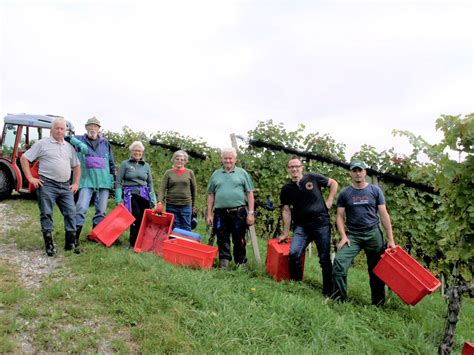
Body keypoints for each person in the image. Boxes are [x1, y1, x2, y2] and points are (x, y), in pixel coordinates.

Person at [332, 160, 396, 305]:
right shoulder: (345, 193)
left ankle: (378, 304)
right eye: (354, 171)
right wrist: (343, 236)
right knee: (339, 263)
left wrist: (390, 240)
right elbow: (339, 216)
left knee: (377, 270)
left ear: (365, 172)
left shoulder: (375, 191)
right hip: (353, 236)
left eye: (360, 170)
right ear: (351, 173)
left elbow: (384, 215)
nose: (358, 173)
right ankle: (339, 300)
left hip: (373, 234)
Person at [19, 117, 81, 256]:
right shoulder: (42, 144)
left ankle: (70, 244)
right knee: (46, 213)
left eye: (62, 128)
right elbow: (24, 158)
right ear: (51, 129)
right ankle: (49, 245)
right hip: (47, 184)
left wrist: (76, 183)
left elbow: (76, 166)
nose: (60, 131)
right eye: (57, 128)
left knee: (71, 213)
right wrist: (30, 178)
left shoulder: (69, 147)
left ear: (65, 130)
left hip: (65, 186)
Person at [278, 157, 338, 296]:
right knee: (294, 254)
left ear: (302, 167)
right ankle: (296, 285)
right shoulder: (287, 188)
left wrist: (329, 200)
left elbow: (333, 183)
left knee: (324, 258)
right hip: (302, 227)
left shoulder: (313, 178)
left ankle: (328, 291)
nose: (294, 169)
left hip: (321, 224)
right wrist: (285, 233)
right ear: (288, 169)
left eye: (296, 166)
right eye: (291, 167)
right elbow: (286, 210)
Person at [66, 116, 116, 252]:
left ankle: (95, 236)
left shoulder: (105, 143)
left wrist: (114, 177)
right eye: (90, 126)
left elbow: (111, 162)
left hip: (103, 181)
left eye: (95, 126)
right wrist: (75, 141)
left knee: (101, 211)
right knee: (81, 207)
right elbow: (65, 137)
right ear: (86, 128)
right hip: (86, 180)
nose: (93, 129)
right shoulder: (80, 140)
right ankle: (74, 238)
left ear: (99, 129)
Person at [206, 147, 255, 269]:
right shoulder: (216, 174)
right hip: (220, 213)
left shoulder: (242, 173)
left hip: (238, 212)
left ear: (235, 159)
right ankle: (224, 263)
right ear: (221, 159)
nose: (228, 160)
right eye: (225, 158)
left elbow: (249, 193)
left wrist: (251, 213)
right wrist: (209, 214)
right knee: (222, 238)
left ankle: (241, 263)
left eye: (230, 158)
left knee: (239, 238)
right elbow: (211, 194)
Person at [115, 141, 157, 247]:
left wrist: (153, 199)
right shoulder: (125, 164)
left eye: (139, 150)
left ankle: (142, 242)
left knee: (144, 218)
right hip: (131, 194)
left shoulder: (146, 166)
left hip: (144, 194)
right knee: (136, 216)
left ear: (142, 152)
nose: (137, 152)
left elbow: (150, 183)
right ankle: (133, 243)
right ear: (131, 151)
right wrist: (118, 197)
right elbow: (118, 181)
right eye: (135, 150)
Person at [158, 150, 196, 231]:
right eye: (177, 159)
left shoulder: (190, 173)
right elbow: (162, 189)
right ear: (173, 160)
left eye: (182, 159)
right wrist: (159, 202)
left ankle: (185, 244)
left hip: (186, 205)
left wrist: (193, 205)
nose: (179, 161)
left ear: (185, 161)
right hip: (171, 205)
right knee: (175, 228)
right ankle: (174, 243)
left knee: (186, 227)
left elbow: (194, 190)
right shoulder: (168, 173)